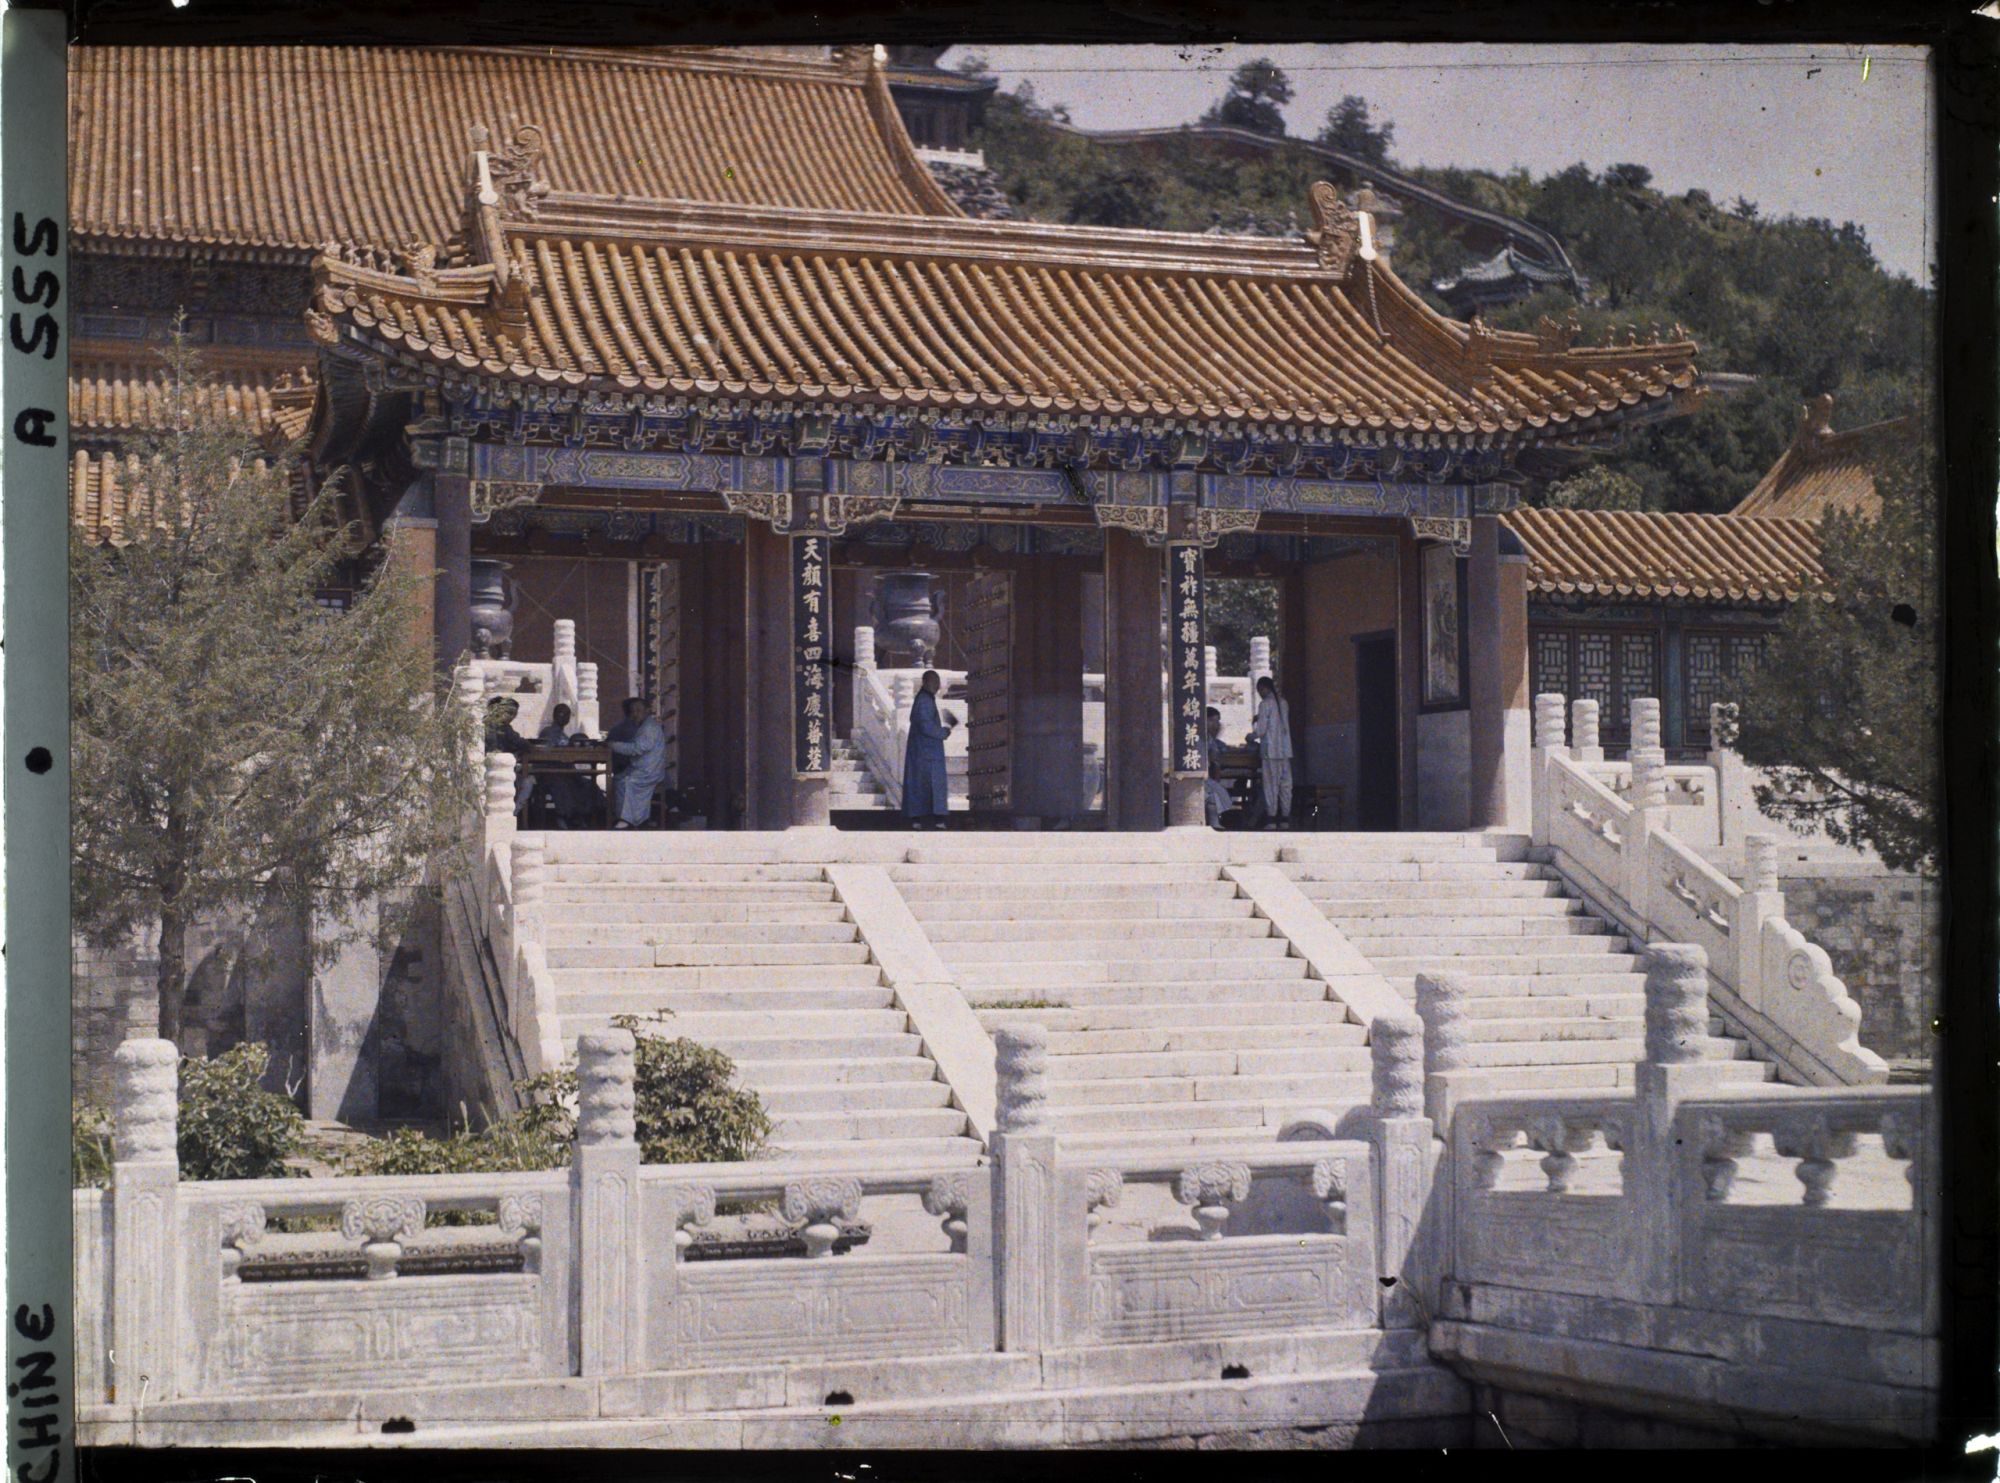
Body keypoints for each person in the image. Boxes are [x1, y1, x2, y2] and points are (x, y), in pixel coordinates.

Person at [902, 669, 954, 829]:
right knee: (925, 784)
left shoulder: (926, 699)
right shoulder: (924, 700)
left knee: (923, 785)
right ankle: (932, 820)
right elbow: (925, 726)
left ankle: (922, 819)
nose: (937, 686)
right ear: (926, 682)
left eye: (938, 682)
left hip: (925, 750)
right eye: (934, 682)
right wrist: (943, 732)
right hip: (925, 752)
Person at [607, 696, 669, 829]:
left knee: (626, 782)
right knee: (618, 779)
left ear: (647, 711)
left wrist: (614, 745)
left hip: (648, 771)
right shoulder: (644, 726)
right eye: (633, 711)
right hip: (643, 768)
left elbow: (637, 749)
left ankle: (627, 819)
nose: (635, 714)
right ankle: (627, 818)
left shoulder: (650, 727)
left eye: (638, 710)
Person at [530, 703, 595, 828]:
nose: (563, 717)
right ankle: (563, 816)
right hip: (549, 771)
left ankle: (582, 816)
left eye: (566, 715)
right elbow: (546, 751)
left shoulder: (565, 735)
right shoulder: (547, 731)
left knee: (586, 784)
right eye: (560, 713)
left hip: (566, 770)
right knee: (562, 784)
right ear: (554, 715)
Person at [1249, 675, 1294, 830]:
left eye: (1259, 690)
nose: (1259, 693)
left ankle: (1271, 820)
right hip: (1285, 751)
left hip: (1270, 751)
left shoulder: (1264, 704)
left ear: (1263, 688)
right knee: (1285, 786)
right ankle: (1285, 819)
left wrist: (1251, 735)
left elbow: (1261, 730)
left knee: (1271, 786)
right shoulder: (1283, 703)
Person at [483, 697, 537, 816]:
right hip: (492, 771)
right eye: (509, 713)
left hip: (496, 770)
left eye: (514, 714)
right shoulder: (499, 727)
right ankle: (513, 814)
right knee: (528, 782)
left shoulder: (500, 726)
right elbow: (522, 744)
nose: (511, 717)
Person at [1203, 706, 1233, 830]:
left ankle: (1215, 821)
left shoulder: (1209, 737)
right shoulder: (1201, 736)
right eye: (1214, 721)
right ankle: (1214, 822)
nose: (1217, 724)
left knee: (1216, 790)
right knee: (1212, 792)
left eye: (1217, 721)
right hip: (1196, 776)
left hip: (1206, 776)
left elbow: (1215, 759)